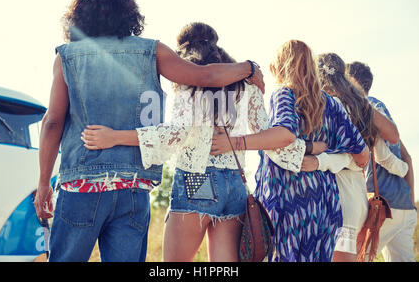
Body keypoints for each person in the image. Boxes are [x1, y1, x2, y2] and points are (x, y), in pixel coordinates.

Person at [33, 0, 265, 262]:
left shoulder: (67, 58)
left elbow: (52, 123)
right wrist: (249, 67)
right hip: (134, 186)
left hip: (81, 184)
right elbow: (205, 76)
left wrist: (44, 182)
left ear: (80, 16)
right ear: (128, 12)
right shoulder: (152, 51)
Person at [81, 22, 319, 262]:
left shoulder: (190, 80)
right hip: (235, 184)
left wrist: (114, 137)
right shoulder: (247, 83)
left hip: (198, 179)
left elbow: (176, 133)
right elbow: (268, 135)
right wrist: (306, 152)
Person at [210, 40, 370, 262]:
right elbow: (363, 155)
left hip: (288, 199)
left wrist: (234, 143)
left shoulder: (285, 94)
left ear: (281, 65)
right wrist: (321, 158)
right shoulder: (332, 105)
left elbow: (285, 134)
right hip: (322, 203)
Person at [298, 53, 408, 262]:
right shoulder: (362, 107)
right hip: (355, 199)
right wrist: (403, 169)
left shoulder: (327, 107)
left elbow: (354, 155)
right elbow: (382, 154)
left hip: (338, 198)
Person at [346, 61, 417, 262]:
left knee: (357, 258)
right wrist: (411, 205)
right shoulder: (383, 111)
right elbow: (408, 158)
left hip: (382, 206)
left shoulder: (362, 110)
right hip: (403, 206)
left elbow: (380, 157)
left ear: (352, 82)